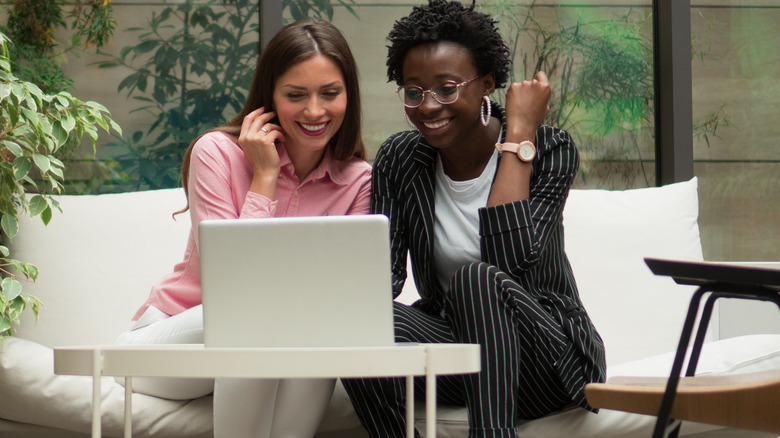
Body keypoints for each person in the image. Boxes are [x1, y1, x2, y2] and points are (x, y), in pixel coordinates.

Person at [341, 1, 606, 437]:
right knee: (357, 319)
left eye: (446, 88)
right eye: (413, 92)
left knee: (475, 279)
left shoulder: (550, 150)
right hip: (462, 360)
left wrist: (518, 136)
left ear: (486, 84)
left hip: (548, 364)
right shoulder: (401, 159)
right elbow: (381, 282)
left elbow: (510, 262)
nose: (428, 107)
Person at [114, 20, 371, 438]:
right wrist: (264, 176)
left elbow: (341, 298)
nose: (314, 111)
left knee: (316, 328)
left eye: (330, 93)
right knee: (258, 317)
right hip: (162, 351)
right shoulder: (216, 152)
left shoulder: (359, 181)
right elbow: (231, 287)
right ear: (269, 96)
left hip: (272, 345)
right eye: (295, 95)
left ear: (349, 96)